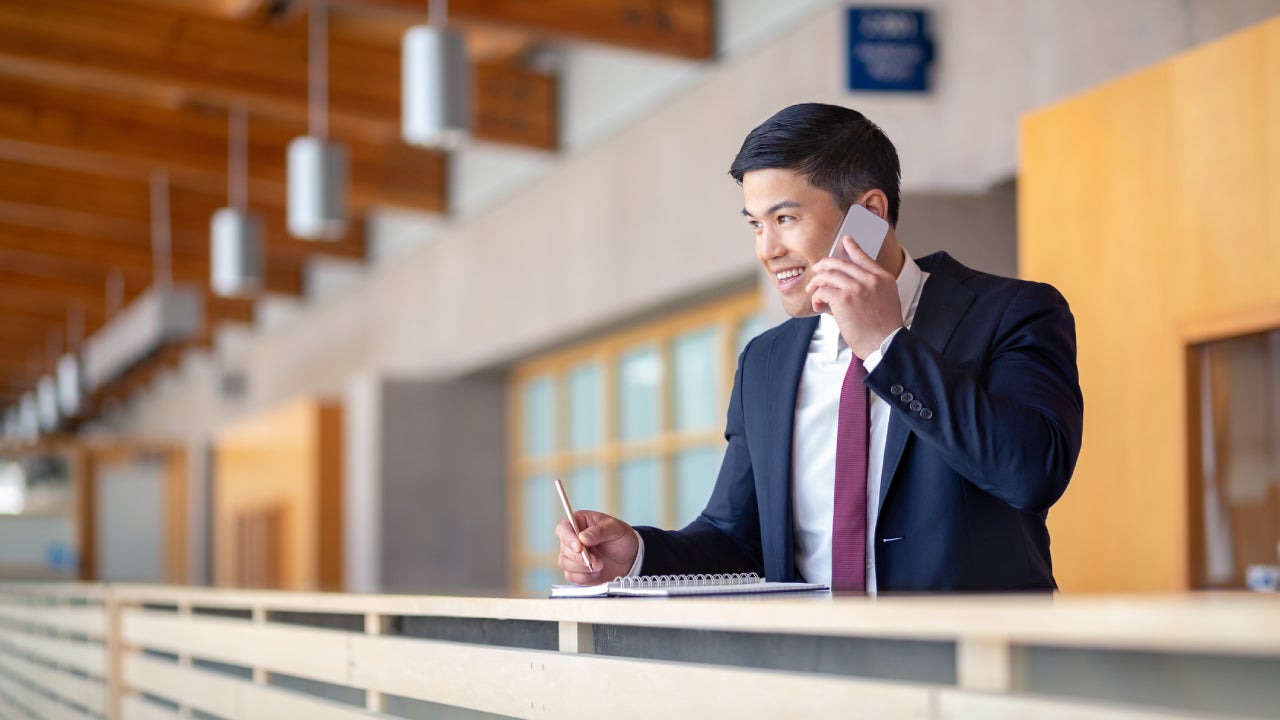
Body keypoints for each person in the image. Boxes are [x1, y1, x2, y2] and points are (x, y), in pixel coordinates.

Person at [555, 103, 1083, 593]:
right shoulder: (765, 361)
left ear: (869, 214)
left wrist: (885, 345)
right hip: (814, 676)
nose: (767, 250)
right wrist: (639, 557)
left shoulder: (1014, 312)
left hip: (974, 671)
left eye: (785, 219)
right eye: (756, 225)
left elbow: (1031, 473)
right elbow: (736, 537)